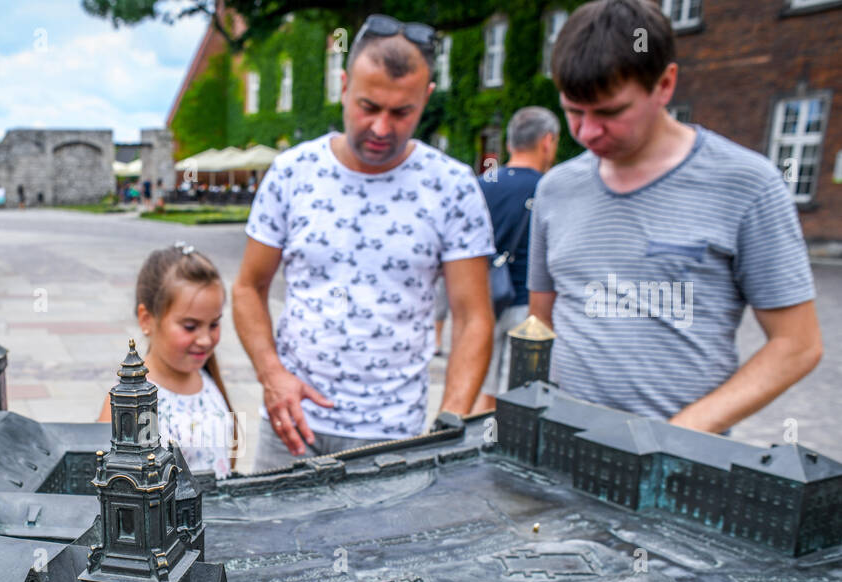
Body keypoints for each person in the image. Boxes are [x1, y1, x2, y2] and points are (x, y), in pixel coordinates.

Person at [528, 0, 822, 432]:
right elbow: (541, 323)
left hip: (682, 464)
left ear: (664, 84)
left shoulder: (747, 184)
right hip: (566, 446)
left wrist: (674, 435)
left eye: (610, 112)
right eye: (573, 111)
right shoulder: (555, 188)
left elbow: (797, 345)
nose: (587, 132)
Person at [233, 15, 496, 471]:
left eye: (402, 112)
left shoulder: (452, 185)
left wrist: (450, 419)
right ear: (343, 85)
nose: (380, 127)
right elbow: (247, 288)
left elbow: (473, 316)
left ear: (426, 97)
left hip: (395, 437)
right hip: (291, 428)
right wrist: (271, 375)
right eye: (367, 105)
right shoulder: (292, 173)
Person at [98, 242, 237, 477]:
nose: (205, 339)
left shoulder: (207, 381)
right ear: (147, 319)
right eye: (190, 326)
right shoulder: (126, 403)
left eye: (214, 324)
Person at [471, 106, 560, 414]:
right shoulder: (551, 188)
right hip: (528, 304)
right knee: (517, 395)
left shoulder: (483, 184)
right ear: (547, 142)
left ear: (509, 144)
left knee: (480, 390)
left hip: (484, 300)